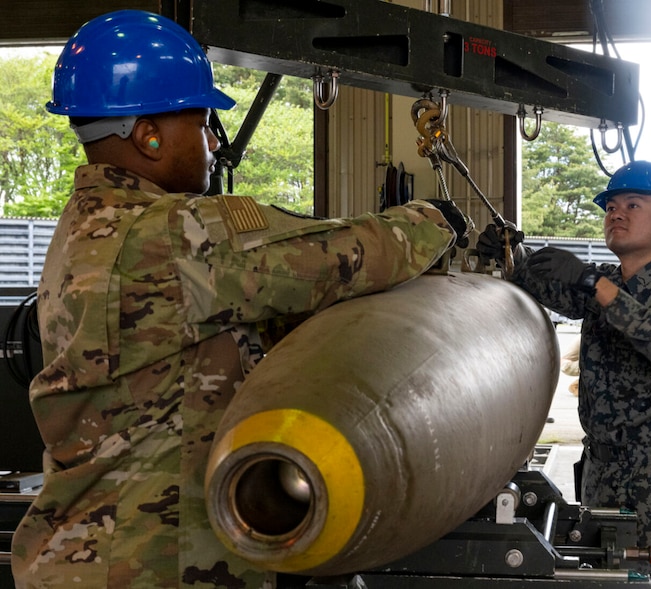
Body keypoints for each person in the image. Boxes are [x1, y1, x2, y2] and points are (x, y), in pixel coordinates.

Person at [11, 10, 468, 588]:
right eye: (202, 124)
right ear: (149, 136)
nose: (211, 144)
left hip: (98, 559)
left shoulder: (88, 227)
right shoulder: (167, 234)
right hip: (149, 566)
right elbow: (335, 253)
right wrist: (433, 220)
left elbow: (226, 324)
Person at [478, 160, 651, 588]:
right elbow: (539, 282)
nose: (616, 213)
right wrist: (508, 251)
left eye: (632, 204)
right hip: (600, 474)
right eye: (610, 206)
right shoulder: (603, 283)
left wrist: (596, 285)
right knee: (600, 578)